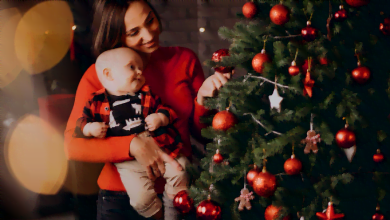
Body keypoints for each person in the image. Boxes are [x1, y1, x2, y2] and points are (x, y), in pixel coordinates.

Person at [64, 0, 233, 219]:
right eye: (134, 32)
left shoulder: (183, 59)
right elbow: (72, 145)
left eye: (150, 20)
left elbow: (202, 135)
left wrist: (203, 100)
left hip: (180, 192)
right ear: (116, 37)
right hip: (122, 199)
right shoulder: (102, 75)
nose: (149, 34)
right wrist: (131, 145)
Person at [74, 47, 189, 219]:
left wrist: (160, 117)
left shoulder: (146, 94)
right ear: (109, 75)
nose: (139, 71)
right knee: (141, 198)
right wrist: (90, 128)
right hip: (127, 161)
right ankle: (157, 216)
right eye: (131, 67)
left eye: (140, 67)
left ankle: (173, 212)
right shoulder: (96, 101)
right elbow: (80, 123)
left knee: (181, 170)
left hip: (158, 145)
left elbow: (168, 110)